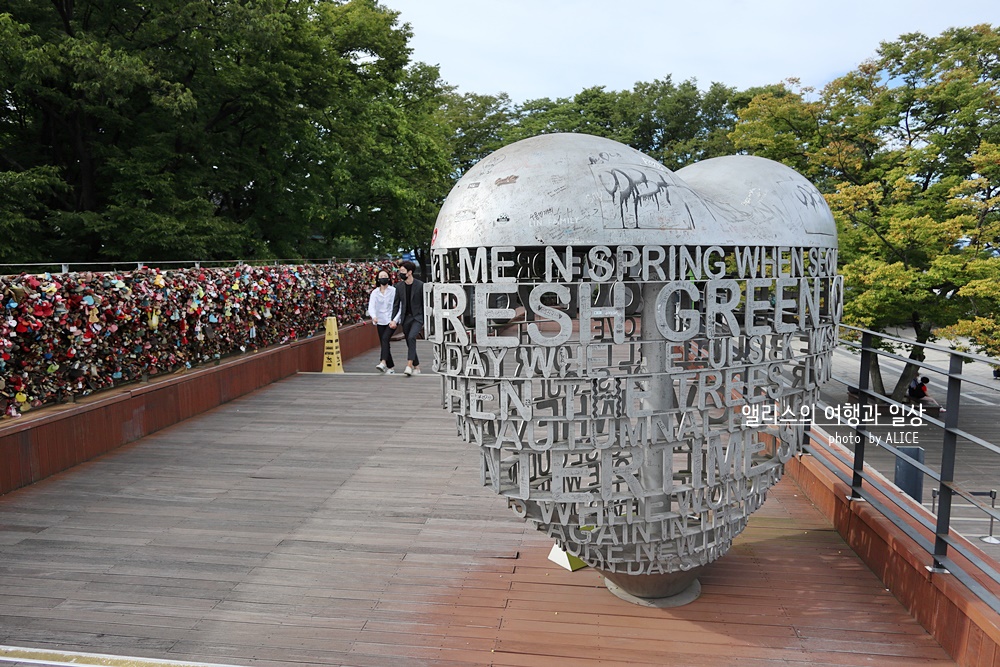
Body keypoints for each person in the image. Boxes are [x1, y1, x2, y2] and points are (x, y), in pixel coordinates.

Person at [390, 260, 424, 377]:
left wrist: (425, 319)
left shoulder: (420, 285)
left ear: (409, 272)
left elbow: (425, 303)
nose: (401, 273)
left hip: (417, 317)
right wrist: (393, 319)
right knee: (409, 341)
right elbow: (396, 304)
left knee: (411, 337)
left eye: (403, 271)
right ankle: (417, 366)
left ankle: (409, 365)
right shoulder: (399, 286)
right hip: (405, 318)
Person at [367, 270, 396, 374]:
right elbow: (371, 306)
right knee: (385, 343)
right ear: (378, 279)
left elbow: (398, 306)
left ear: (388, 278)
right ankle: (391, 368)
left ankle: (383, 362)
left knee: (385, 339)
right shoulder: (375, 292)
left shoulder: (393, 291)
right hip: (380, 321)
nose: (383, 277)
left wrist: (395, 320)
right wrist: (373, 316)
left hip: (391, 321)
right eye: (381, 276)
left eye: (385, 276)